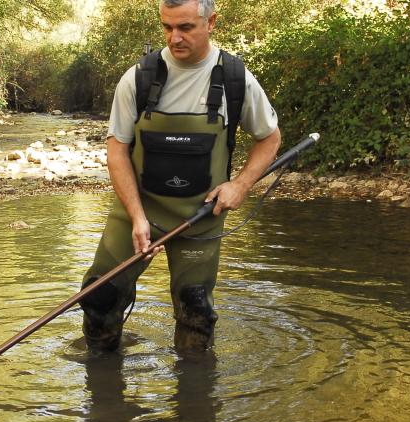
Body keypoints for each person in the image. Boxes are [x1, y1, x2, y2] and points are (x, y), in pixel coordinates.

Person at [80, 0, 281, 352]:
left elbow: (270, 138)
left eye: (186, 27)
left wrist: (240, 185)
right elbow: (117, 151)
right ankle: (103, 392)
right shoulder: (138, 78)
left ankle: (194, 396)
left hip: (200, 218)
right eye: (167, 27)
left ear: (211, 22)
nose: (175, 38)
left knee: (196, 312)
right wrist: (138, 217)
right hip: (137, 212)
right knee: (99, 298)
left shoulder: (235, 79)